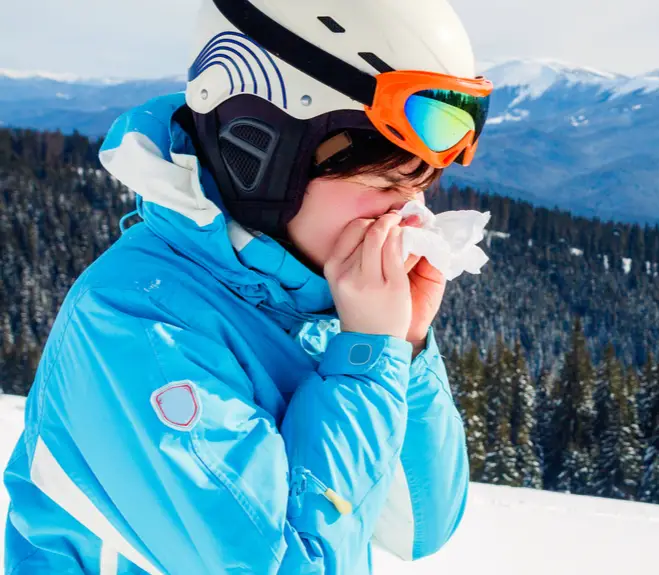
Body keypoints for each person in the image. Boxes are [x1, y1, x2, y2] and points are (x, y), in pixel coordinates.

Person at [3, 0, 492, 573]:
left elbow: (417, 530)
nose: (410, 217)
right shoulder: (137, 325)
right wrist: (366, 358)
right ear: (259, 154)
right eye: (384, 183)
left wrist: (402, 349)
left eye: (419, 188)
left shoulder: (310, 306)